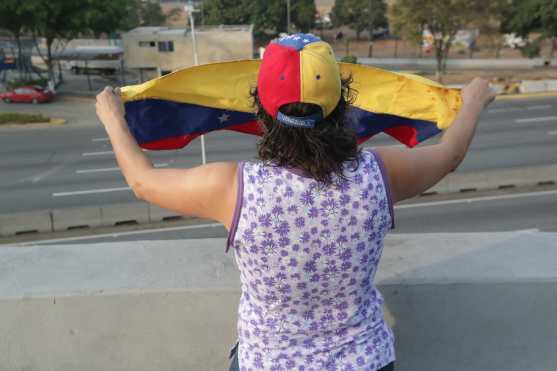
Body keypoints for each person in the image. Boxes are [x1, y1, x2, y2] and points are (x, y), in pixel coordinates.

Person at [96, 34, 496, 371]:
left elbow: (143, 182)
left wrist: (114, 118)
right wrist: (473, 100)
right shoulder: (378, 173)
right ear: (341, 107)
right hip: (365, 361)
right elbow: (449, 156)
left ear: (261, 112)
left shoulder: (234, 187)